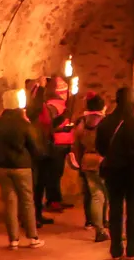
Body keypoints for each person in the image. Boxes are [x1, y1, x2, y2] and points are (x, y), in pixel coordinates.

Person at [0, 90, 45, 250]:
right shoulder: (23, 124)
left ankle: (13, 239)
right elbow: (34, 147)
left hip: (2, 166)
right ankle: (32, 237)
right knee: (27, 201)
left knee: (9, 202)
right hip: (21, 166)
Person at [96, 87, 134, 260]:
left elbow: (100, 148)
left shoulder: (106, 122)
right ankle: (132, 247)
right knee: (133, 209)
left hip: (113, 171)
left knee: (115, 208)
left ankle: (116, 248)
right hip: (133, 171)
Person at [73, 91, 110, 243]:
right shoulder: (105, 122)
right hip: (102, 159)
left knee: (96, 194)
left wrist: (78, 160)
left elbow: (76, 144)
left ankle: (99, 225)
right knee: (100, 195)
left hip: (87, 160)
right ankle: (100, 229)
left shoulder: (82, 122)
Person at [40, 76, 75, 215]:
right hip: (56, 144)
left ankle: (57, 198)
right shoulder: (52, 106)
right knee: (53, 174)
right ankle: (52, 200)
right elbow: (49, 126)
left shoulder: (62, 104)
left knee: (57, 173)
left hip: (63, 143)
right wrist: (62, 129)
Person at [25, 77, 50, 226]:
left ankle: (38, 214)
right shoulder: (28, 107)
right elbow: (35, 109)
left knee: (40, 185)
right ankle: (30, 217)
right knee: (33, 186)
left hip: (41, 149)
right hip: (32, 152)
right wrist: (40, 89)